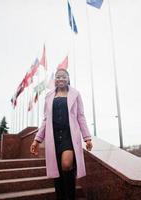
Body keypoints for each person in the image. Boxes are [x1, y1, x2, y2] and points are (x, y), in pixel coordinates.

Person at [30, 68, 93, 200]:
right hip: (53, 138)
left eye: (64, 76)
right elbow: (46, 120)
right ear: (55, 80)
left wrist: (87, 137)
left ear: (68, 79)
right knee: (57, 170)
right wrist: (37, 140)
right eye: (58, 77)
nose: (61, 79)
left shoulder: (75, 94)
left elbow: (80, 116)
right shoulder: (49, 96)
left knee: (66, 164)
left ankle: (70, 197)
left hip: (69, 136)